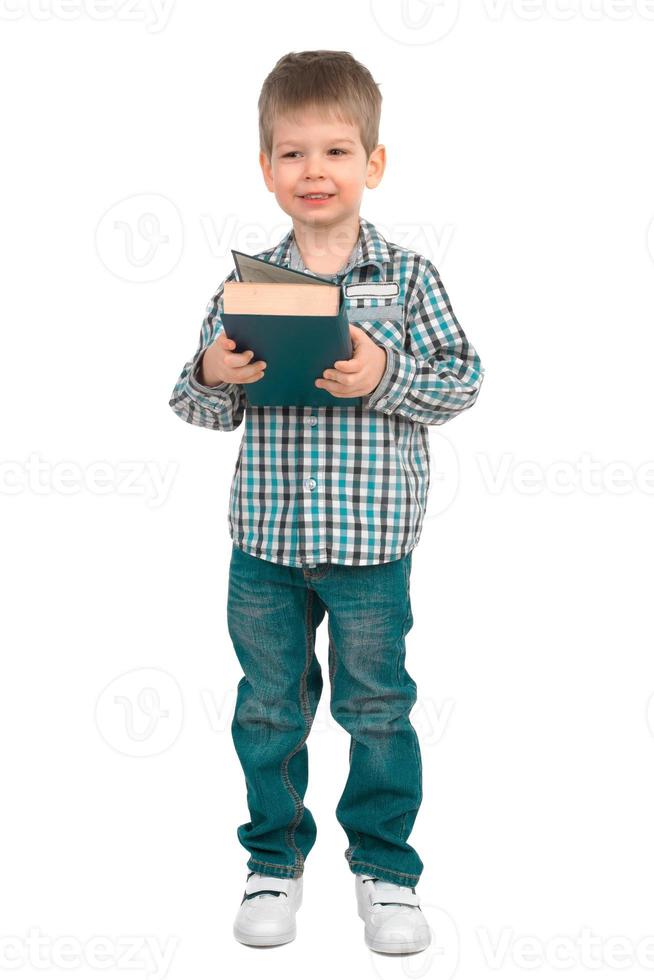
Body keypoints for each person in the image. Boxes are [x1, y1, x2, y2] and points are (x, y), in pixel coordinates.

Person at [169, 49, 485, 954]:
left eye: (337, 152)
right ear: (266, 171)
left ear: (372, 165)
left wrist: (385, 374)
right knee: (268, 705)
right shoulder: (246, 284)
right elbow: (193, 406)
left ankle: (386, 871)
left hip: (372, 544)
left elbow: (462, 382)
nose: (316, 171)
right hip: (264, 543)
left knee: (376, 706)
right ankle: (273, 858)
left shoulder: (410, 278)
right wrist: (212, 371)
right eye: (294, 154)